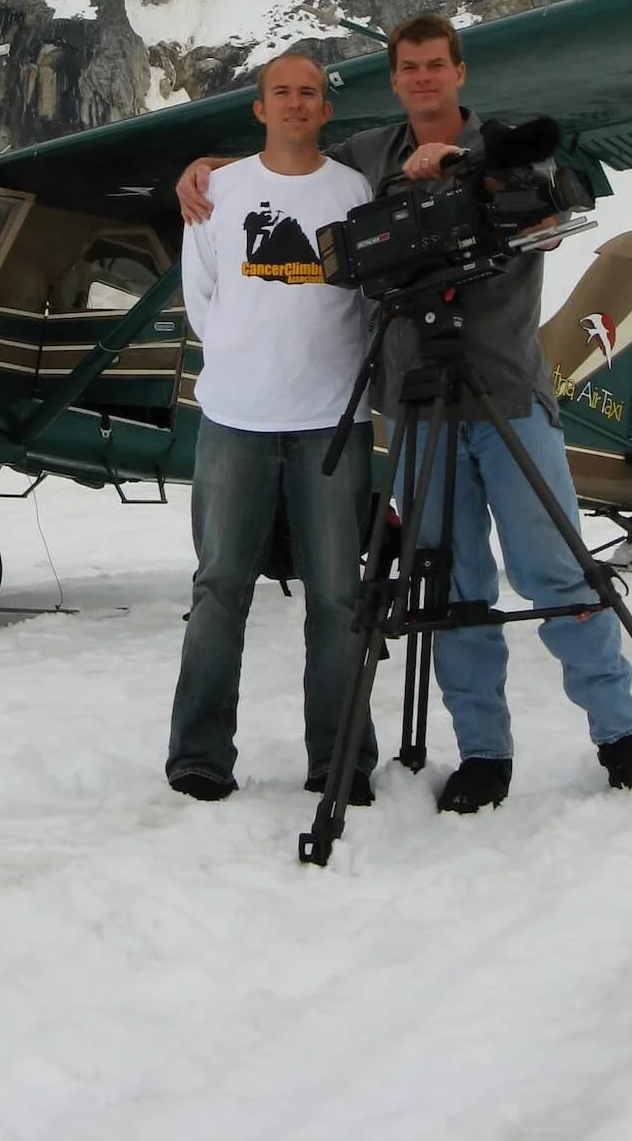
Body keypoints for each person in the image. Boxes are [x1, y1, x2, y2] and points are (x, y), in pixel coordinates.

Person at [177, 14, 632, 813]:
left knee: (553, 568)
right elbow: (287, 164)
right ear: (396, 77)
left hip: (507, 393)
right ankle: (484, 752)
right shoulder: (367, 158)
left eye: (435, 65)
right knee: (451, 583)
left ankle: (621, 735)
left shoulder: (512, 148)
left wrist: (476, 175)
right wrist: (207, 169)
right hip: (418, 405)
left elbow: (558, 202)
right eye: (408, 67)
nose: (422, 79)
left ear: (459, 72)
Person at [167, 52, 379, 806]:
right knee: (219, 586)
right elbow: (202, 296)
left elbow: (362, 302)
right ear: (259, 108)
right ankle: (198, 754)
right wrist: (238, 360)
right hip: (234, 419)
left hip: (330, 422)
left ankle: (340, 756)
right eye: (282, 92)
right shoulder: (217, 192)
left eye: (309, 94)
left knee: (337, 598)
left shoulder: (353, 192)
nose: (296, 103)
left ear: (326, 110)